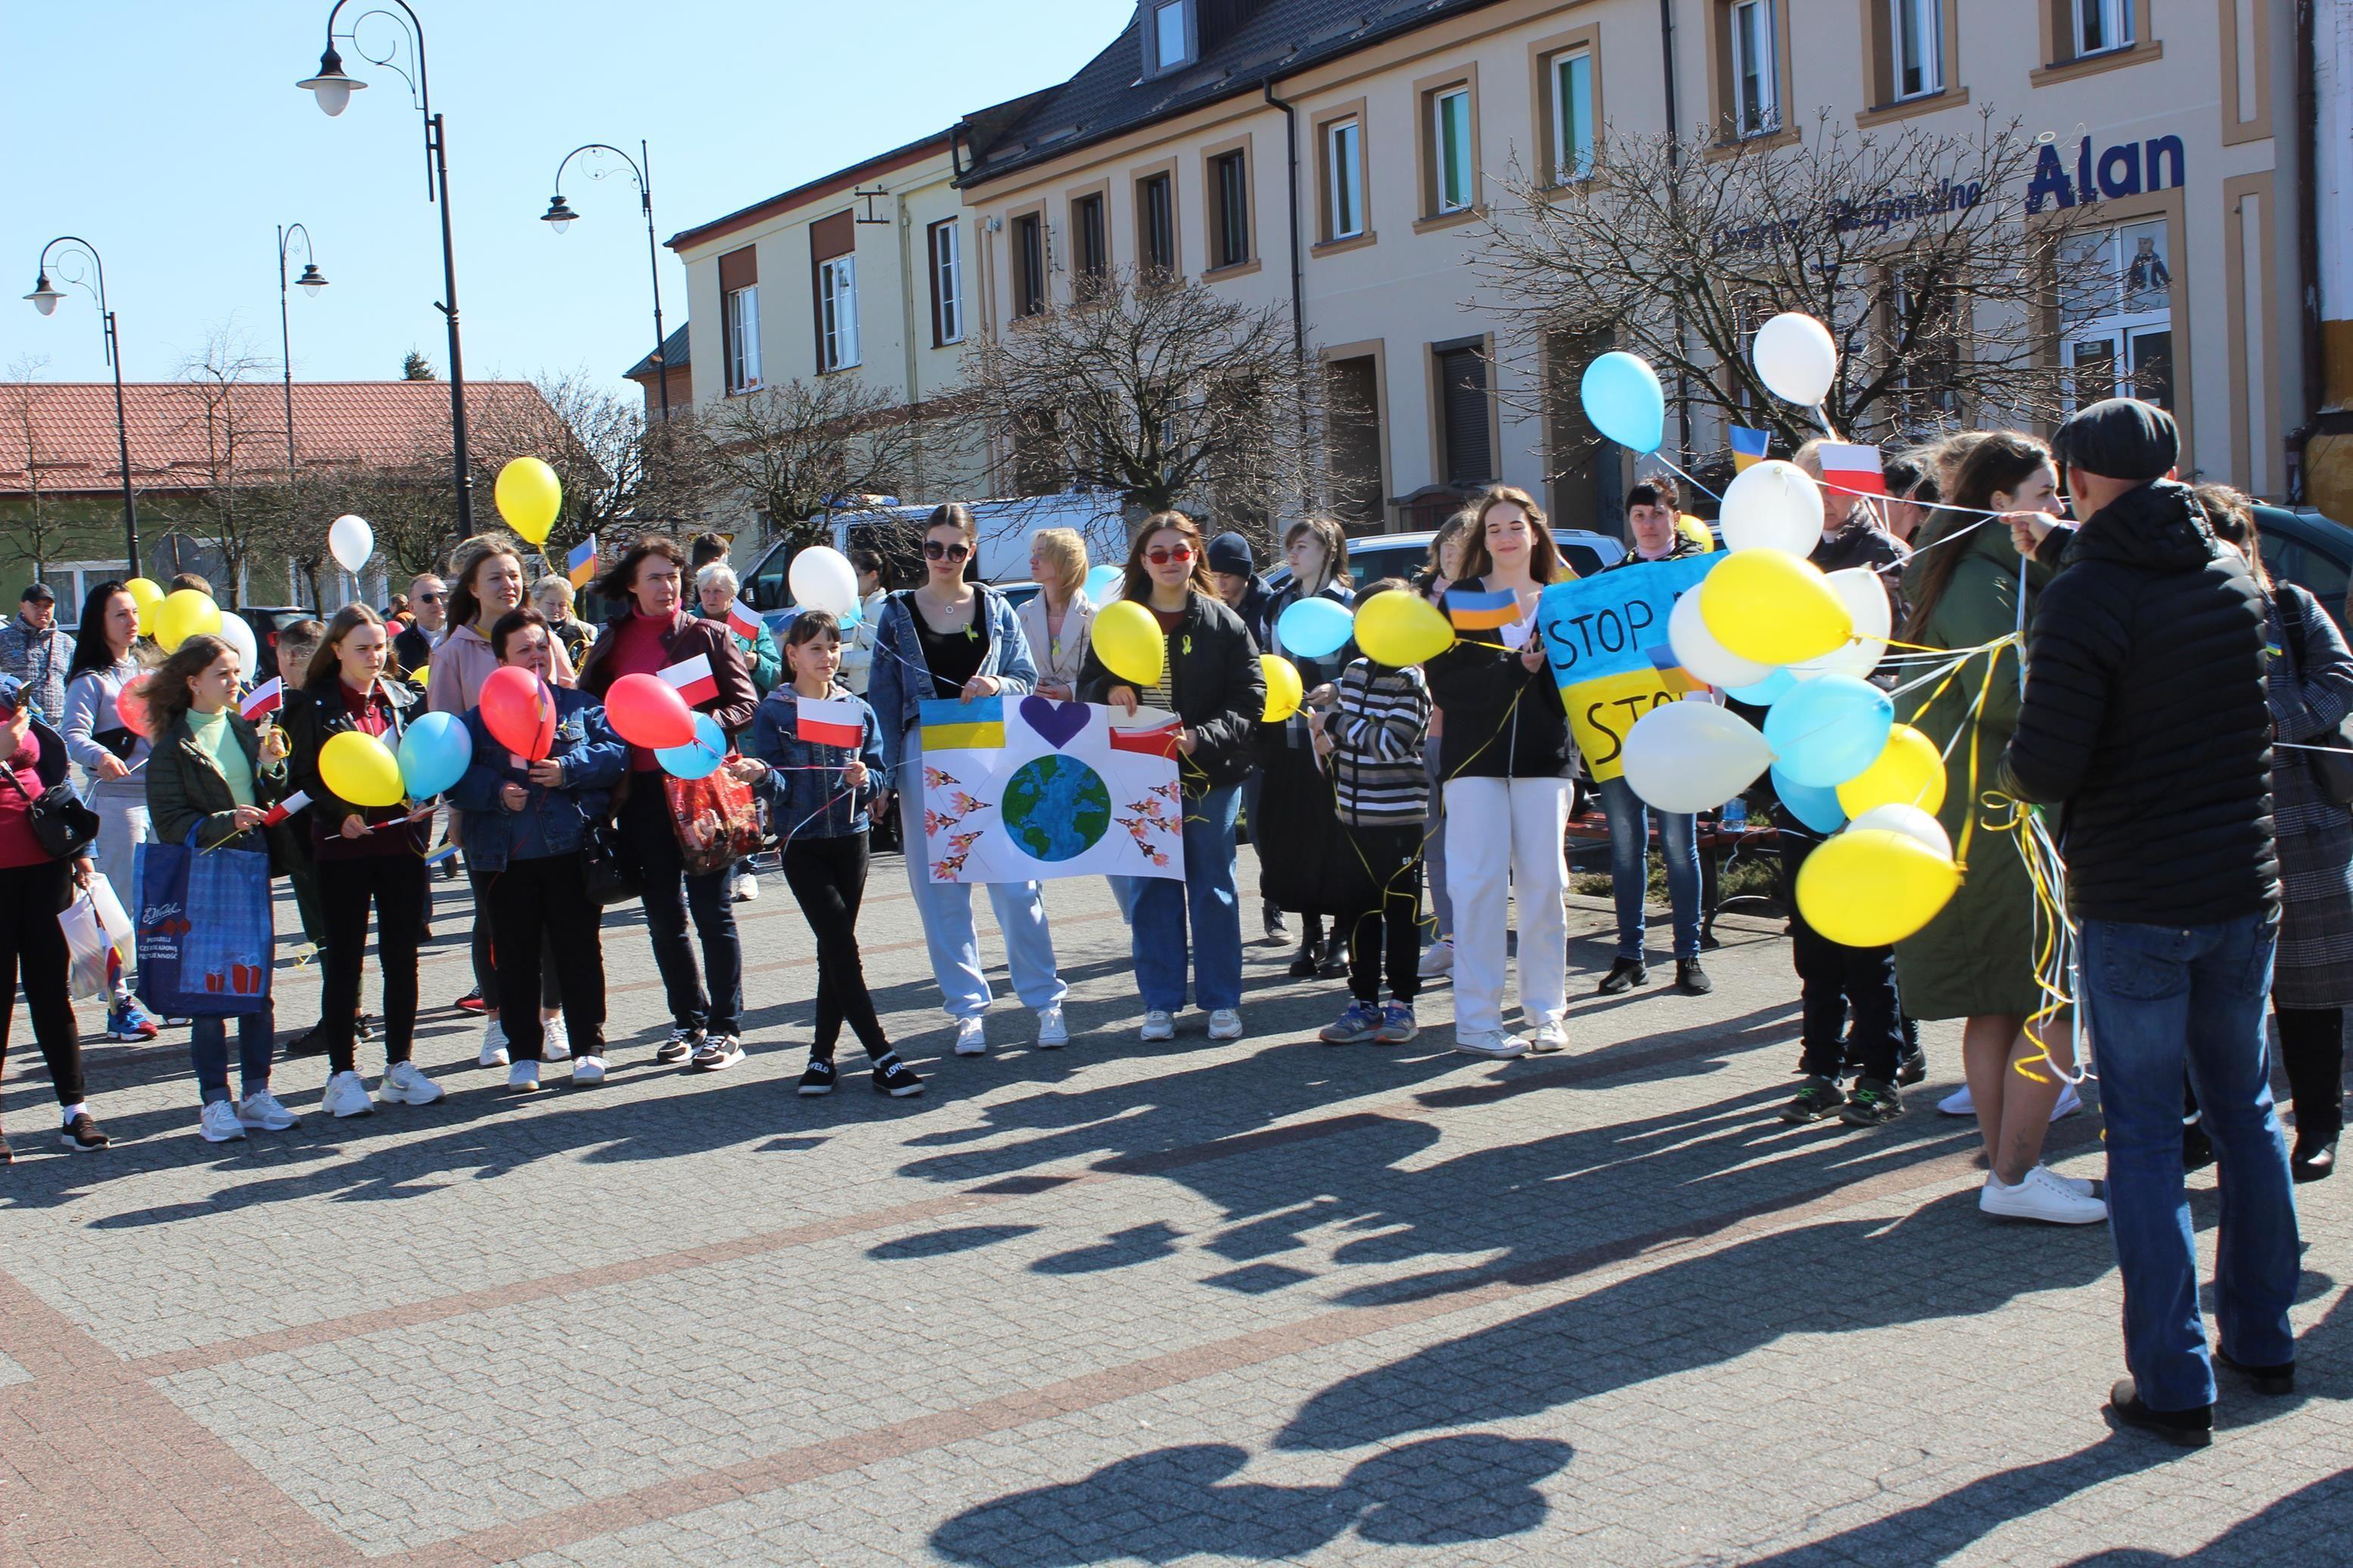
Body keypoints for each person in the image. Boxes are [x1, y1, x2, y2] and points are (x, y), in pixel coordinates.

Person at [1997, 397, 2298, 1445]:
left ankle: (2171, 1379)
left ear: (2077, 479)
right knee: (2247, 1113)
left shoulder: (2090, 597)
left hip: (2136, 901)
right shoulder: (2227, 571)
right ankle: (2261, 1337)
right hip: (2237, 890)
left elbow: (2044, 764)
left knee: (2142, 1141)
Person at [1887, 433, 2101, 1220]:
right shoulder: (1983, 580)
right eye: (2045, 493)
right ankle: (2013, 1176)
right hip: (1997, 812)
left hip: (1983, 808)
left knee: (2002, 1000)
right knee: (2047, 997)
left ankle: (2009, 1174)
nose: (2058, 507)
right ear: (1998, 503)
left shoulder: (1982, 569)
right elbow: (2010, 696)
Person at [869, 503, 1068, 1056]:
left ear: (971, 551)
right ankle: (967, 1009)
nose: (945, 559)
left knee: (1016, 883)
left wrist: (996, 684)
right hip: (923, 753)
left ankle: (1045, 1001)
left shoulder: (998, 607)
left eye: (957, 549)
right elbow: (884, 701)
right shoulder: (897, 613)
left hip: (992, 752)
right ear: (923, 549)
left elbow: (1028, 679)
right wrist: (885, 774)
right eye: (935, 547)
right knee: (942, 893)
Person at [2202, 484, 2348, 1183]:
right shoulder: (2180, 616)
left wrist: (2272, 722)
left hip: (2305, 827)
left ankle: (2318, 1124)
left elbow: (2340, 677)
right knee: (2216, 992)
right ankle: (2207, 1125)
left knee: (2309, 985)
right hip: (2211, 827)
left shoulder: (2290, 606)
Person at [1079, 511, 1263, 1042]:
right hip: (1140, 776)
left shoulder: (1223, 623)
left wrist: (1200, 737)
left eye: (1180, 552)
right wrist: (1105, 691)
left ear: (1195, 556)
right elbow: (1087, 684)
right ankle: (1160, 1002)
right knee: (1152, 892)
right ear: (1142, 561)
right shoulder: (1117, 619)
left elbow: (1250, 699)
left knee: (1214, 888)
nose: (1169, 562)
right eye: (1157, 553)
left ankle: (1222, 1001)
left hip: (1211, 774)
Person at [577, 536, 760, 1069]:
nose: (667, 586)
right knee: (663, 916)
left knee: (712, 910)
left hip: (701, 792)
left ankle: (726, 1027)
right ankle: (689, 1018)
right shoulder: (611, 643)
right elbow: (591, 713)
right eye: (655, 576)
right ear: (631, 584)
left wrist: (694, 727)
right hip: (641, 798)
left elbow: (744, 704)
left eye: (674, 575)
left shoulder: (708, 635)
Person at [735, 610, 923, 1098]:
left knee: (832, 951)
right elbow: (779, 786)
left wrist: (867, 780)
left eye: (833, 646)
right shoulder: (775, 711)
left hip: (851, 838)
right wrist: (761, 775)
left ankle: (821, 1057)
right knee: (841, 945)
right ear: (793, 654)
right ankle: (883, 1056)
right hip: (803, 842)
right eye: (815, 647)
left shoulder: (856, 710)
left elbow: (881, 775)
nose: (827, 656)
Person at [448, 608, 626, 1092]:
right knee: (515, 956)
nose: (536, 657)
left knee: (579, 952)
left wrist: (569, 767)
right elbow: (455, 779)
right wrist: (495, 791)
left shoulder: (578, 705)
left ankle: (589, 1047)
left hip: (570, 850)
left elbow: (616, 752)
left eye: (542, 647)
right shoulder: (476, 721)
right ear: (501, 660)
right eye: (524, 650)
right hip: (502, 860)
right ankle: (523, 1053)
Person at [1425, 487, 1575, 1059]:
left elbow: (1584, 684)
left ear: (1535, 532)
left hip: (1545, 759)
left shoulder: (1563, 598)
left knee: (1545, 886)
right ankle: (1478, 1020)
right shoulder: (1462, 597)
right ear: (1482, 540)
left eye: (1515, 526)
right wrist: (1514, 670)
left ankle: (1546, 1012)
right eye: (1494, 529)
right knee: (1478, 886)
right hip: (1473, 764)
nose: (1505, 536)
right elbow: (1447, 682)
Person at [283, 604, 441, 1117]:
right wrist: (339, 813)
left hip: (400, 844)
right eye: (362, 648)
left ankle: (400, 1065)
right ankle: (342, 1074)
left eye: (380, 647)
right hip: (342, 848)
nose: (375, 657)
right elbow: (303, 777)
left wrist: (424, 796)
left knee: (402, 957)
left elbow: (423, 758)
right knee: (344, 962)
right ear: (336, 651)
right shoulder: (311, 703)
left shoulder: (402, 696)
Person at [143, 633, 298, 1144]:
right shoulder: (172, 746)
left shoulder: (242, 727)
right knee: (209, 993)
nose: (236, 682)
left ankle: (257, 1092)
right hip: (203, 874)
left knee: (256, 988)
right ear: (193, 682)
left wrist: (273, 765)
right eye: (223, 675)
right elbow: (169, 822)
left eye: (236, 672)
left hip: (249, 864)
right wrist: (224, 819)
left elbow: (269, 794)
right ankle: (215, 1101)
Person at [429, 538, 576, 1057]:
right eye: (495, 576)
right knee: (493, 918)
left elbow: (571, 715)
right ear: (472, 587)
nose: (507, 584)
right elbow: (444, 740)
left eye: (514, 574)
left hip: (549, 802)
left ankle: (552, 1017)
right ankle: (497, 1019)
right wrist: (463, 807)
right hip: (489, 807)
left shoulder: (546, 639)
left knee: (555, 920)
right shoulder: (450, 653)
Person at [1594, 478, 1711, 998]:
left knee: (1680, 849)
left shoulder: (1695, 576)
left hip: (1679, 729)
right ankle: (1630, 955)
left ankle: (1688, 955)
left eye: (1657, 514)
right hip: (1623, 730)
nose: (1648, 524)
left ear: (1675, 516)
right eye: (1639, 515)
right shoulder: (1609, 581)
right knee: (1626, 848)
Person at [1312, 579, 1431, 1045]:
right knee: (1358, 913)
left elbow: (1390, 743)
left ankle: (1403, 1003)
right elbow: (1351, 722)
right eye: (1360, 623)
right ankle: (1362, 1002)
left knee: (1401, 913)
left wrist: (1337, 723)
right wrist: (1329, 724)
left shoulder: (1412, 681)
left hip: (1398, 820)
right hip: (1352, 818)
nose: (1364, 633)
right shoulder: (1357, 671)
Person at [0, 674, 110, 1158]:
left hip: (47, 874)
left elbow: (58, 786)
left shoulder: (24, 713)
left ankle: (75, 1112)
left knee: (51, 993)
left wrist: (81, 854)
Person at [60, 582, 161, 1042]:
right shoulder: (90, 680)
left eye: (135, 612)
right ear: (99, 622)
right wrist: (101, 756)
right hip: (117, 804)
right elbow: (71, 736)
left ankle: (159, 991)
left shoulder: (146, 672)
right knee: (117, 907)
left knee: (160, 903)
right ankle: (119, 1002)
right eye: (121, 614)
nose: (132, 621)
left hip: (160, 800)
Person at [1258, 518, 1356, 978]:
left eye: (1302, 547)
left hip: (1335, 740)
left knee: (1335, 838)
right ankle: (1309, 934)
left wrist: (1335, 689)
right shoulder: (1277, 604)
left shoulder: (1350, 605)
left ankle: (1342, 936)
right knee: (1296, 840)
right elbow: (1263, 664)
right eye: (1289, 547)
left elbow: (1366, 664)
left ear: (1329, 550)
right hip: (1289, 740)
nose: (1292, 555)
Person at [1206, 530, 1282, 942]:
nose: (1218, 581)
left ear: (1245, 574)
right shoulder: (1208, 610)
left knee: (1273, 823)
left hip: (1273, 729)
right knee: (1250, 827)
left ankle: (1276, 908)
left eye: (1226, 574)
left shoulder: (1269, 608)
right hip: (1230, 733)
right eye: (1212, 573)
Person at [695, 560, 782, 904]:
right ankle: (709, 869)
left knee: (748, 798)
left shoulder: (750, 626)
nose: (712, 598)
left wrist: (756, 663)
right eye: (706, 591)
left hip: (743, 725)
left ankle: (747, 869)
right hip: (703, 723)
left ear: (733, 596)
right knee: (705, 799)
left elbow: (777, 675)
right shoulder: (690, 624)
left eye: (719, 591)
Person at [1413, 512, 1477, 980]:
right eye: (1446, 545)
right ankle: (1450, 936)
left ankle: (1477, 937)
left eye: (1462, 545)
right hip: (1423, 735)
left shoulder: (1483, 599)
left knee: (1474, 844)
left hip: (1470, 735)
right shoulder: (1415, 600)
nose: (1451, 553)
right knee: (1434, 841)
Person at [1018, 528, 1096, 702]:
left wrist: (1072, 691)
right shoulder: (1023, 613)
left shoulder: (1095, 617)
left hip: (1084, 719)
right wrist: (1029, 684)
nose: (1032, 560)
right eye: (1033, 553)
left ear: (1066, 561)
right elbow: (1013, 668)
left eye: (1042, 554)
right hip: (1034, 717)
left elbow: (1107, 674)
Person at [0, 584, 73, 724]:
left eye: (47, 606)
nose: (42, 611)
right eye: (36, 606)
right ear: (22, 606)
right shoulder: (4, 638)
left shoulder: (66, 643)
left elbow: (75, 685)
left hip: (58, 729)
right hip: (18, 727)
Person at [530, 575, 598, 671]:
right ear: (537, 602)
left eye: (562, 605)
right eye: (550, 603)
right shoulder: (529, 630)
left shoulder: (586, 631)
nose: (556, 609)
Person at [392, 574, 447, 678]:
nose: (438, 603)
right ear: (412, 607)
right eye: (428, 598)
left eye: (443, 596)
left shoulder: (463, 637)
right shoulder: (399, 646)